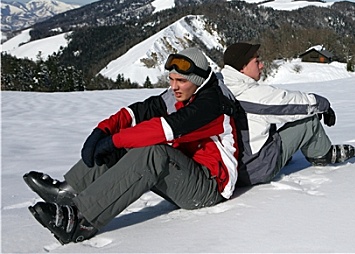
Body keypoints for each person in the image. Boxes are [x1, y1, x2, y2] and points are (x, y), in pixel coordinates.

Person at [23, 47, 239, 245]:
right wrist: (104, 130)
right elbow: (140, 111)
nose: (173, 86)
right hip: (184, 173)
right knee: (131, 140)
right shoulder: (184, 93)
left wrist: (114, 141)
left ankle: (80, 220)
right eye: (171, 79)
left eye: (180, 80)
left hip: (209, 188)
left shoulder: (212, 105)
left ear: (198, 80)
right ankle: (67, 192)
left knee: (153, 151)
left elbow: (164, 129)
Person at [220, 42, 355, 187]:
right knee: (309, 120)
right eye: (257, 61)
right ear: (242, 68)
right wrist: (322, 104)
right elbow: (289, 104)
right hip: (258, 167)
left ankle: (283, 155)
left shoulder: (223, 86)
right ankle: (323, 154)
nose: (262, 66)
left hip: (236, 167)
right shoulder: (251, 95)